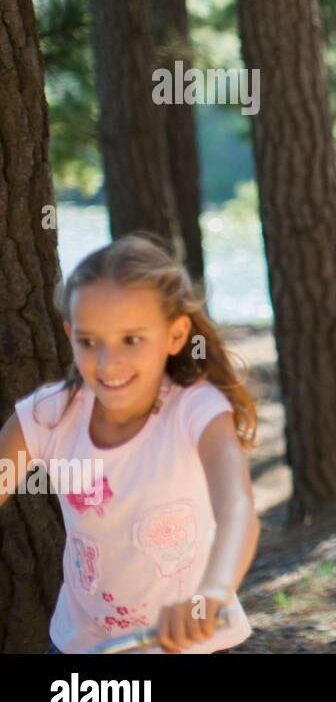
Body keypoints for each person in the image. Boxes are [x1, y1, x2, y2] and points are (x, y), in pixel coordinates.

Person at [0, 234, 260, 652]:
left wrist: (211, 593)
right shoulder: (48, 416)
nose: (107, 363)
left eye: (131, 339)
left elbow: (237, 509)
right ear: (70, 334)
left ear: (175, 335)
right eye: (89, 341)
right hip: (83, 648)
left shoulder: (196, 410)